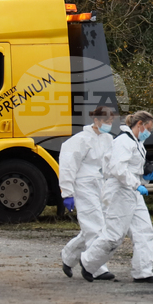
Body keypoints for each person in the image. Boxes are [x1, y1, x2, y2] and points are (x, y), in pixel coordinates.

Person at [79, 111, 153, 283]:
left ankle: (143, 272)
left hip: (132, 191)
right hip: (120, 192)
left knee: (144, 231)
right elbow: (118, 169)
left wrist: (146, 177)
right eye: (148, 128)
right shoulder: (124, 142)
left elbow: (132, 170)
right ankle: (88, 262)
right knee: (114, 235)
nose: (149, 132)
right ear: (139, 124)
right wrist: (136, 184)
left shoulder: (137, 142)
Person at [59, 106, 117, 281]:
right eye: (106, 122)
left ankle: (68, 256)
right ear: (96, 120)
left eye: (110, 122)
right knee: (95, 226)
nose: (108, 125)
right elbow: (68, 166)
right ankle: (96, 267)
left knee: (94, 227)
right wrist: (67, 192)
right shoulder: (80, 140)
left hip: (102, 186)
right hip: (83, 186)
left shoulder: (109, 139)